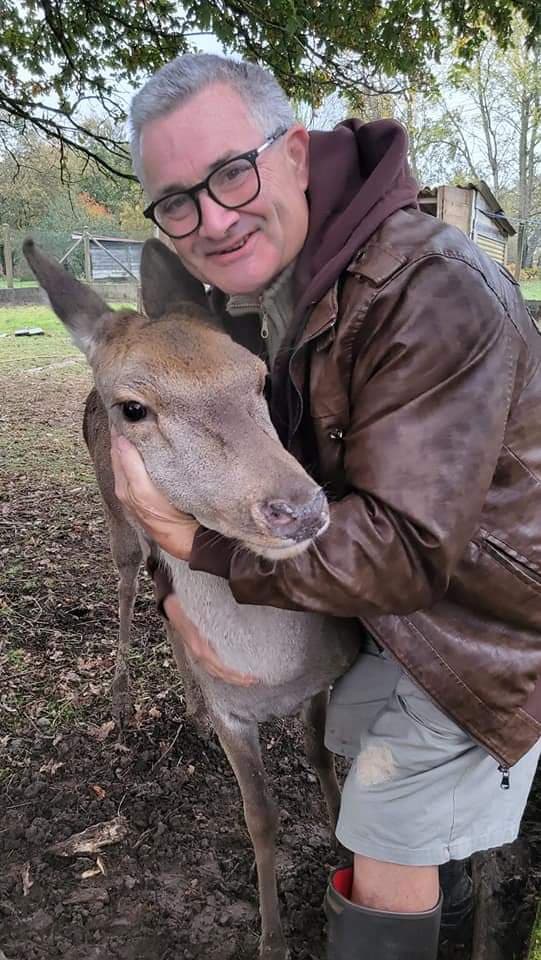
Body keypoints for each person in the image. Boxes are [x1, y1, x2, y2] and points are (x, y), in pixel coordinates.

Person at [111, 53, 541, 959]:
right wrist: (178, 587)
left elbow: (403, 550)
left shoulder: (429, 289)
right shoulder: (276, 290)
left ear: (296, 154)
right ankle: (453, 904)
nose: (212, 219)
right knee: (373, 792)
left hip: (486, 631)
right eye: (176, 202)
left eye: (232, 172)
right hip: (395, 615)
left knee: (382, 838)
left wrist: (193, 546)